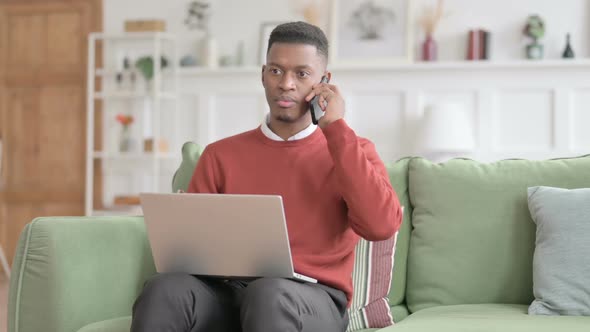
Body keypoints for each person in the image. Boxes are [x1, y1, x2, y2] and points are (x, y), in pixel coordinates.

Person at [131, 21, 403, 332]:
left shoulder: (352, 150)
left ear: (323, 82)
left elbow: (381, 226)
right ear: (263, 75)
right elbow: (191, 256)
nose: (286, 83)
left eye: (301, 74)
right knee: (164, 289)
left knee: (268, 293)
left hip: (313, 300)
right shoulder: (220, 155)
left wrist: (336, 128)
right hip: (229, 295)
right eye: (276, 71)